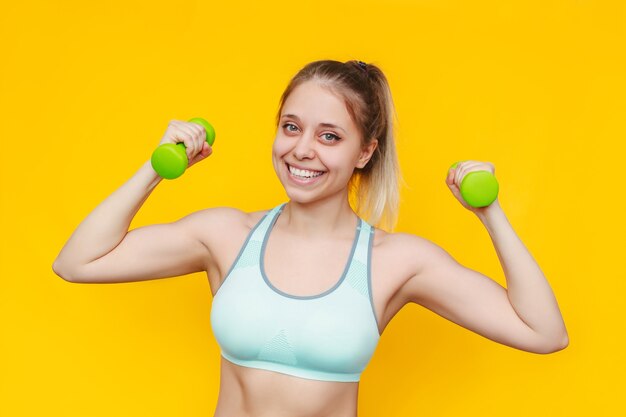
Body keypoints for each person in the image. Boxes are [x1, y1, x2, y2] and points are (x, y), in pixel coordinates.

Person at [52, 59, 569, 417]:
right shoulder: (225, 235)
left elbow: (544, 334)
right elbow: (77, 262)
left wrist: (490, 213)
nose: (301, 150)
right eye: (290, 127)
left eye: (329, 136)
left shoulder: (397, 262)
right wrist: (155, 167)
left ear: (364, 152)